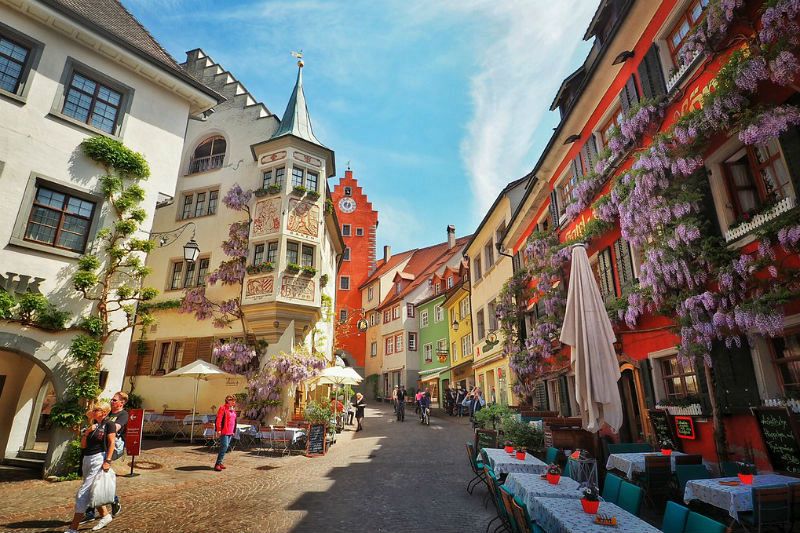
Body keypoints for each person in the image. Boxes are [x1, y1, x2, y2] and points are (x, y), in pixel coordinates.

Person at [65, 401, 116, 533]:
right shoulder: (93, 425)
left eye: (96, 410)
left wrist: (108, 460)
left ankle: (73, 528)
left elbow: (111, 443)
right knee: (93, 489)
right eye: (94, 410)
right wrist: (87, 432)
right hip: (87, 458)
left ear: (104, 412)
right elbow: (83, 446)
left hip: (99, 458)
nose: (93, 411)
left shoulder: (109, 424)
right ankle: (105, 515)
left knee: (83, 492)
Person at [83, 392, 128, 523]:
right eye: (111, 400)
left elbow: (115, 429)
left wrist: (103, 424)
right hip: (100, 447)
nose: (112, 402)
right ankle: (94, 509)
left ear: (122, 402)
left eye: (114, 400)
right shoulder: (106, 413)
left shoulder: (122, 414)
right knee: (97, 478)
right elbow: (91, 417)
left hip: (111, 448)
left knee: (97, 478)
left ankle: (110, 502)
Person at [214, 395, 237, 471]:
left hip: (230, 431)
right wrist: (218, 429)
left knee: (225, 447)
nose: (233, 401)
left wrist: (233, 431)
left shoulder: (233, 409)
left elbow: (234, 421)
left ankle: (220, 463)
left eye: (234, 400)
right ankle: (217, 464)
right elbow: (218, 420)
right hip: (224, 431)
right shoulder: (223, 408)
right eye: (231, 400)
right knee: (224, 446)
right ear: (227, 400)